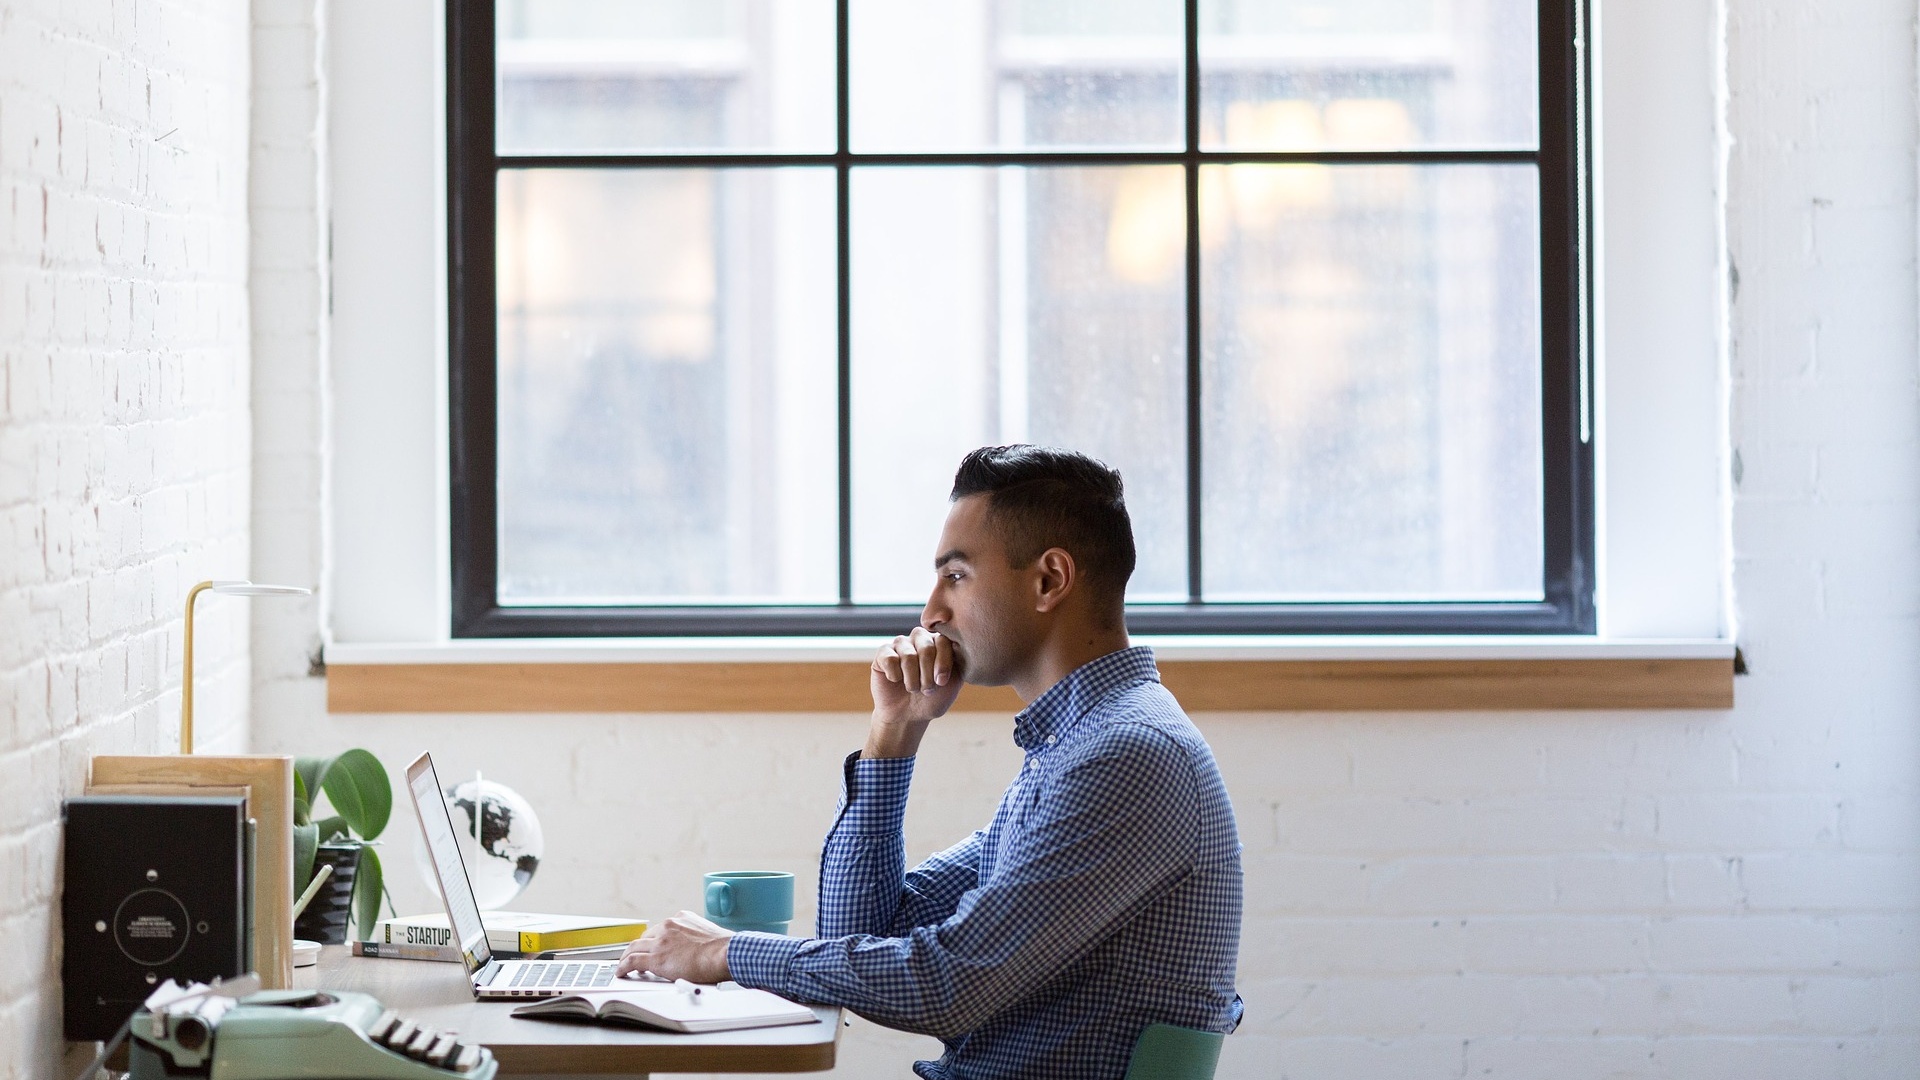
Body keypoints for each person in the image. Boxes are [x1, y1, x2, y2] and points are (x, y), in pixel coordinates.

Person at [619, 444, 1243, 1078]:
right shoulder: (1073, 748)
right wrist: (895, 729)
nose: (931, 612)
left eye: (957, 575)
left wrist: (724, 953)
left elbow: (947, 985)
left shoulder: (1125, 756)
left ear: (1049, 580)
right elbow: (858, 934)